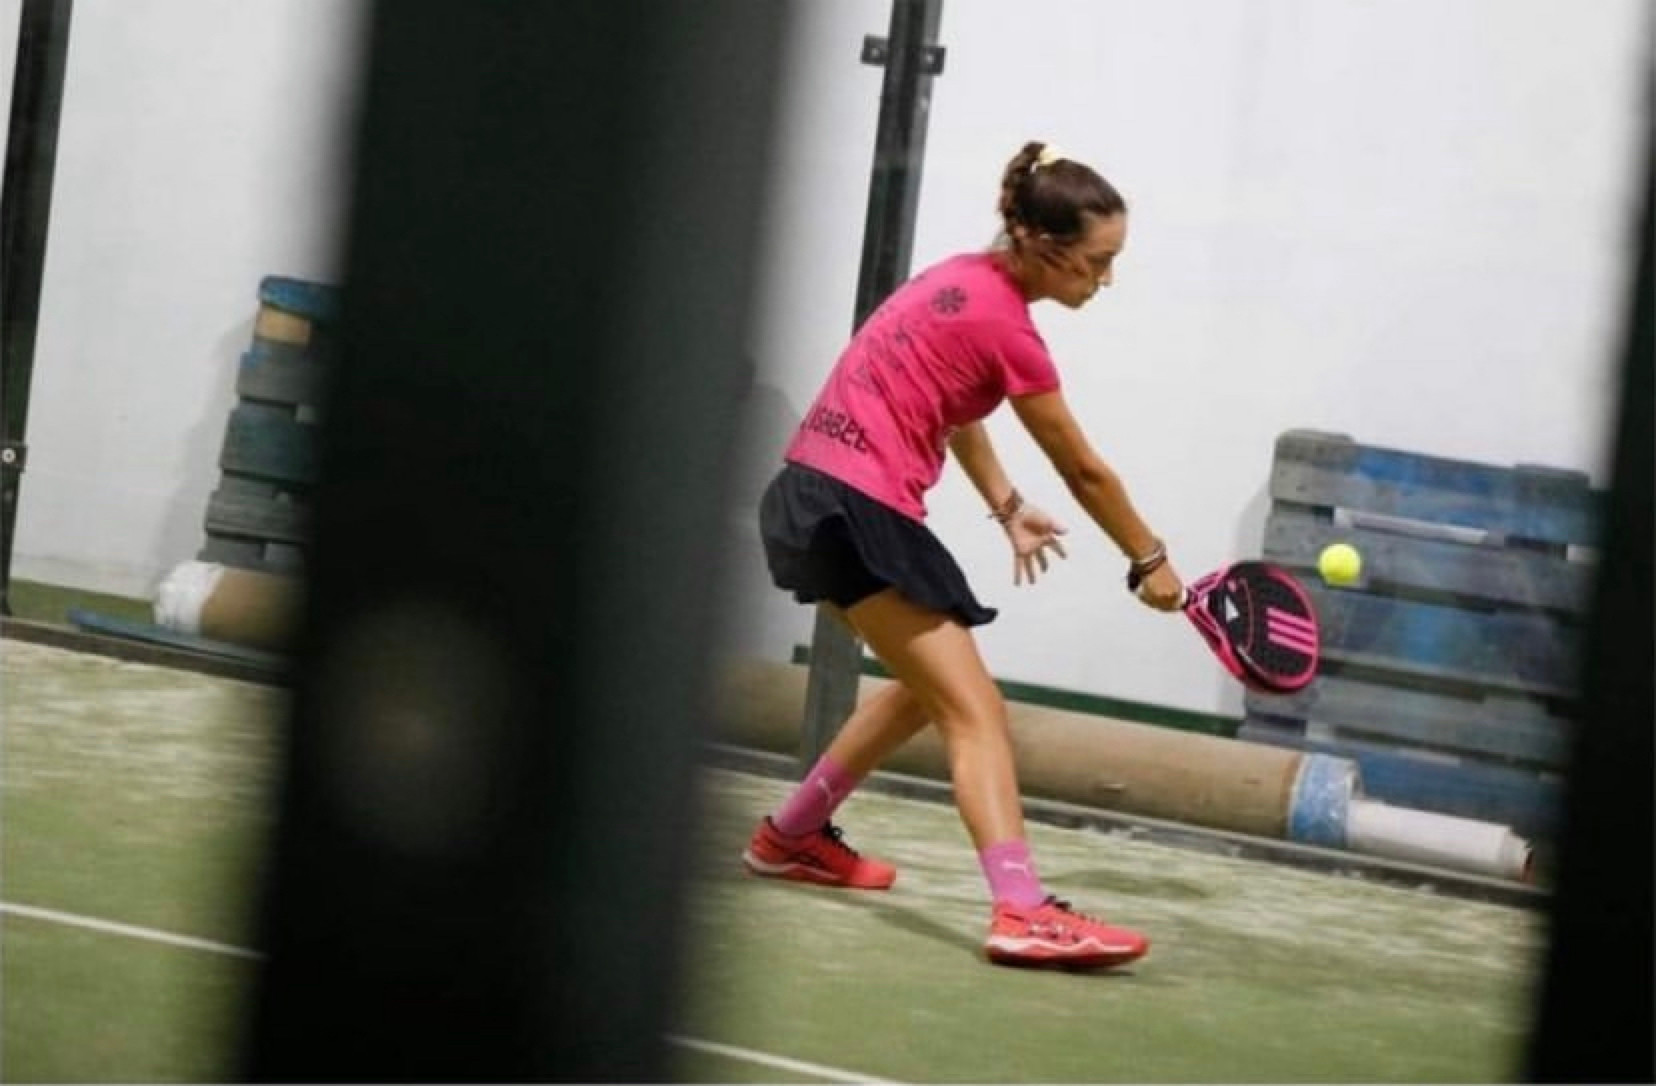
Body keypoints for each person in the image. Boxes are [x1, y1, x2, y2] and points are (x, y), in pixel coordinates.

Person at [743, 140, 1183, 970]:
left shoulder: (959, 281)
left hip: (809, 497)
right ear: (1044, 245)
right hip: (857, 507)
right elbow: (1083, 468)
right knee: (977, 712)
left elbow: (954, 406)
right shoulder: (1009, 328)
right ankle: (1022, 910)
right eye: (1099, 262)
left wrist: (1007, 508)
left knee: (925, 690)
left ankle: (791, 836)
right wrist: (1149, 559)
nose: (1107, 280)